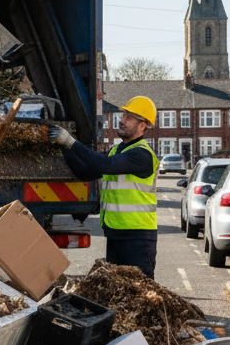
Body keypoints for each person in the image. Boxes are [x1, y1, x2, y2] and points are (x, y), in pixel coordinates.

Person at [49, 96, 159, 277]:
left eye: (129, 118)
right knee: (116, 295)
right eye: (123, 116)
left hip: (137, 238)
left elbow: (104, 165)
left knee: (141, 295)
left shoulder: (142, 155)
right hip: (116, 234)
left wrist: (71, 142)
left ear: (143, 125)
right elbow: (84, 172)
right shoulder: (117, 151)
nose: (122, 121)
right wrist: (62, 146)